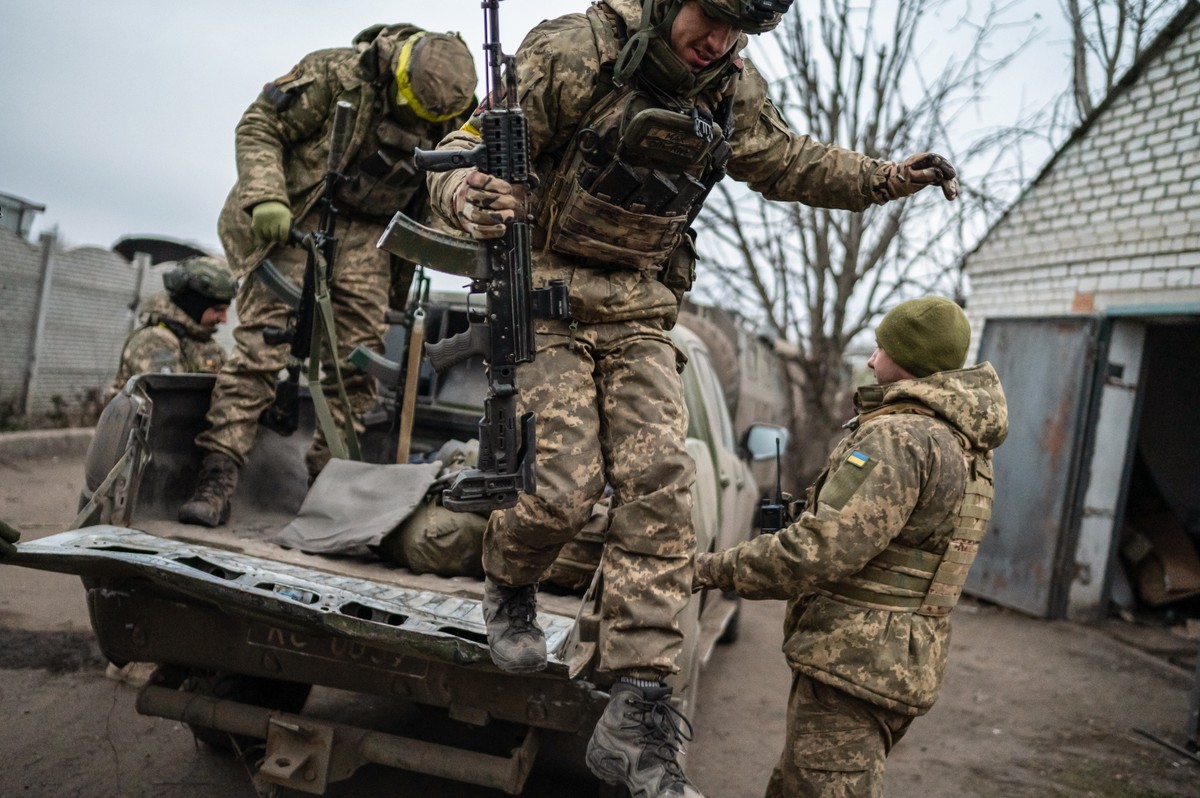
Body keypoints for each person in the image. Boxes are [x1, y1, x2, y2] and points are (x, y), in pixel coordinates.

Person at [426, 1, 962, 795]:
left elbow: (789, 161)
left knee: (662, 498)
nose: (716, 42)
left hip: (641, 309)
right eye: (707, 19)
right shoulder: (576, 50)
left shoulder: (729, 87)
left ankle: (640, 708)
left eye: (734, 33)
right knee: (561, 492)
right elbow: (465, 150)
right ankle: (509, 586)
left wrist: (886, 180)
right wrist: (468, 194)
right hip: (548, 300)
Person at [693, 296, 1008, 797]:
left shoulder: (901, 438)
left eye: (880, 348)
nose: (869, 359)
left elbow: (817, 550)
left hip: (856, 661)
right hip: (894, 659)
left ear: (910, 359)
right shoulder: (963, 441)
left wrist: (710, 569)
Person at [179, 24, 477, 527]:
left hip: (374, 235)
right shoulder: (335, 73)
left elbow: (448, 179)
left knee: (359, 361)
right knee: (261, 348)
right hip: (301, 212)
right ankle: (218, 475)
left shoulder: (456, 110)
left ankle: (328, 483)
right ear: (398, 77)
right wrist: (265, 195)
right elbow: (259, 124)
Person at [111, 255, 235, 394]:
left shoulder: (206, 343)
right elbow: (167, 404)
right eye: (218, 310)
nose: (224, 319)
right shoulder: (154, 340)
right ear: (194, 305)